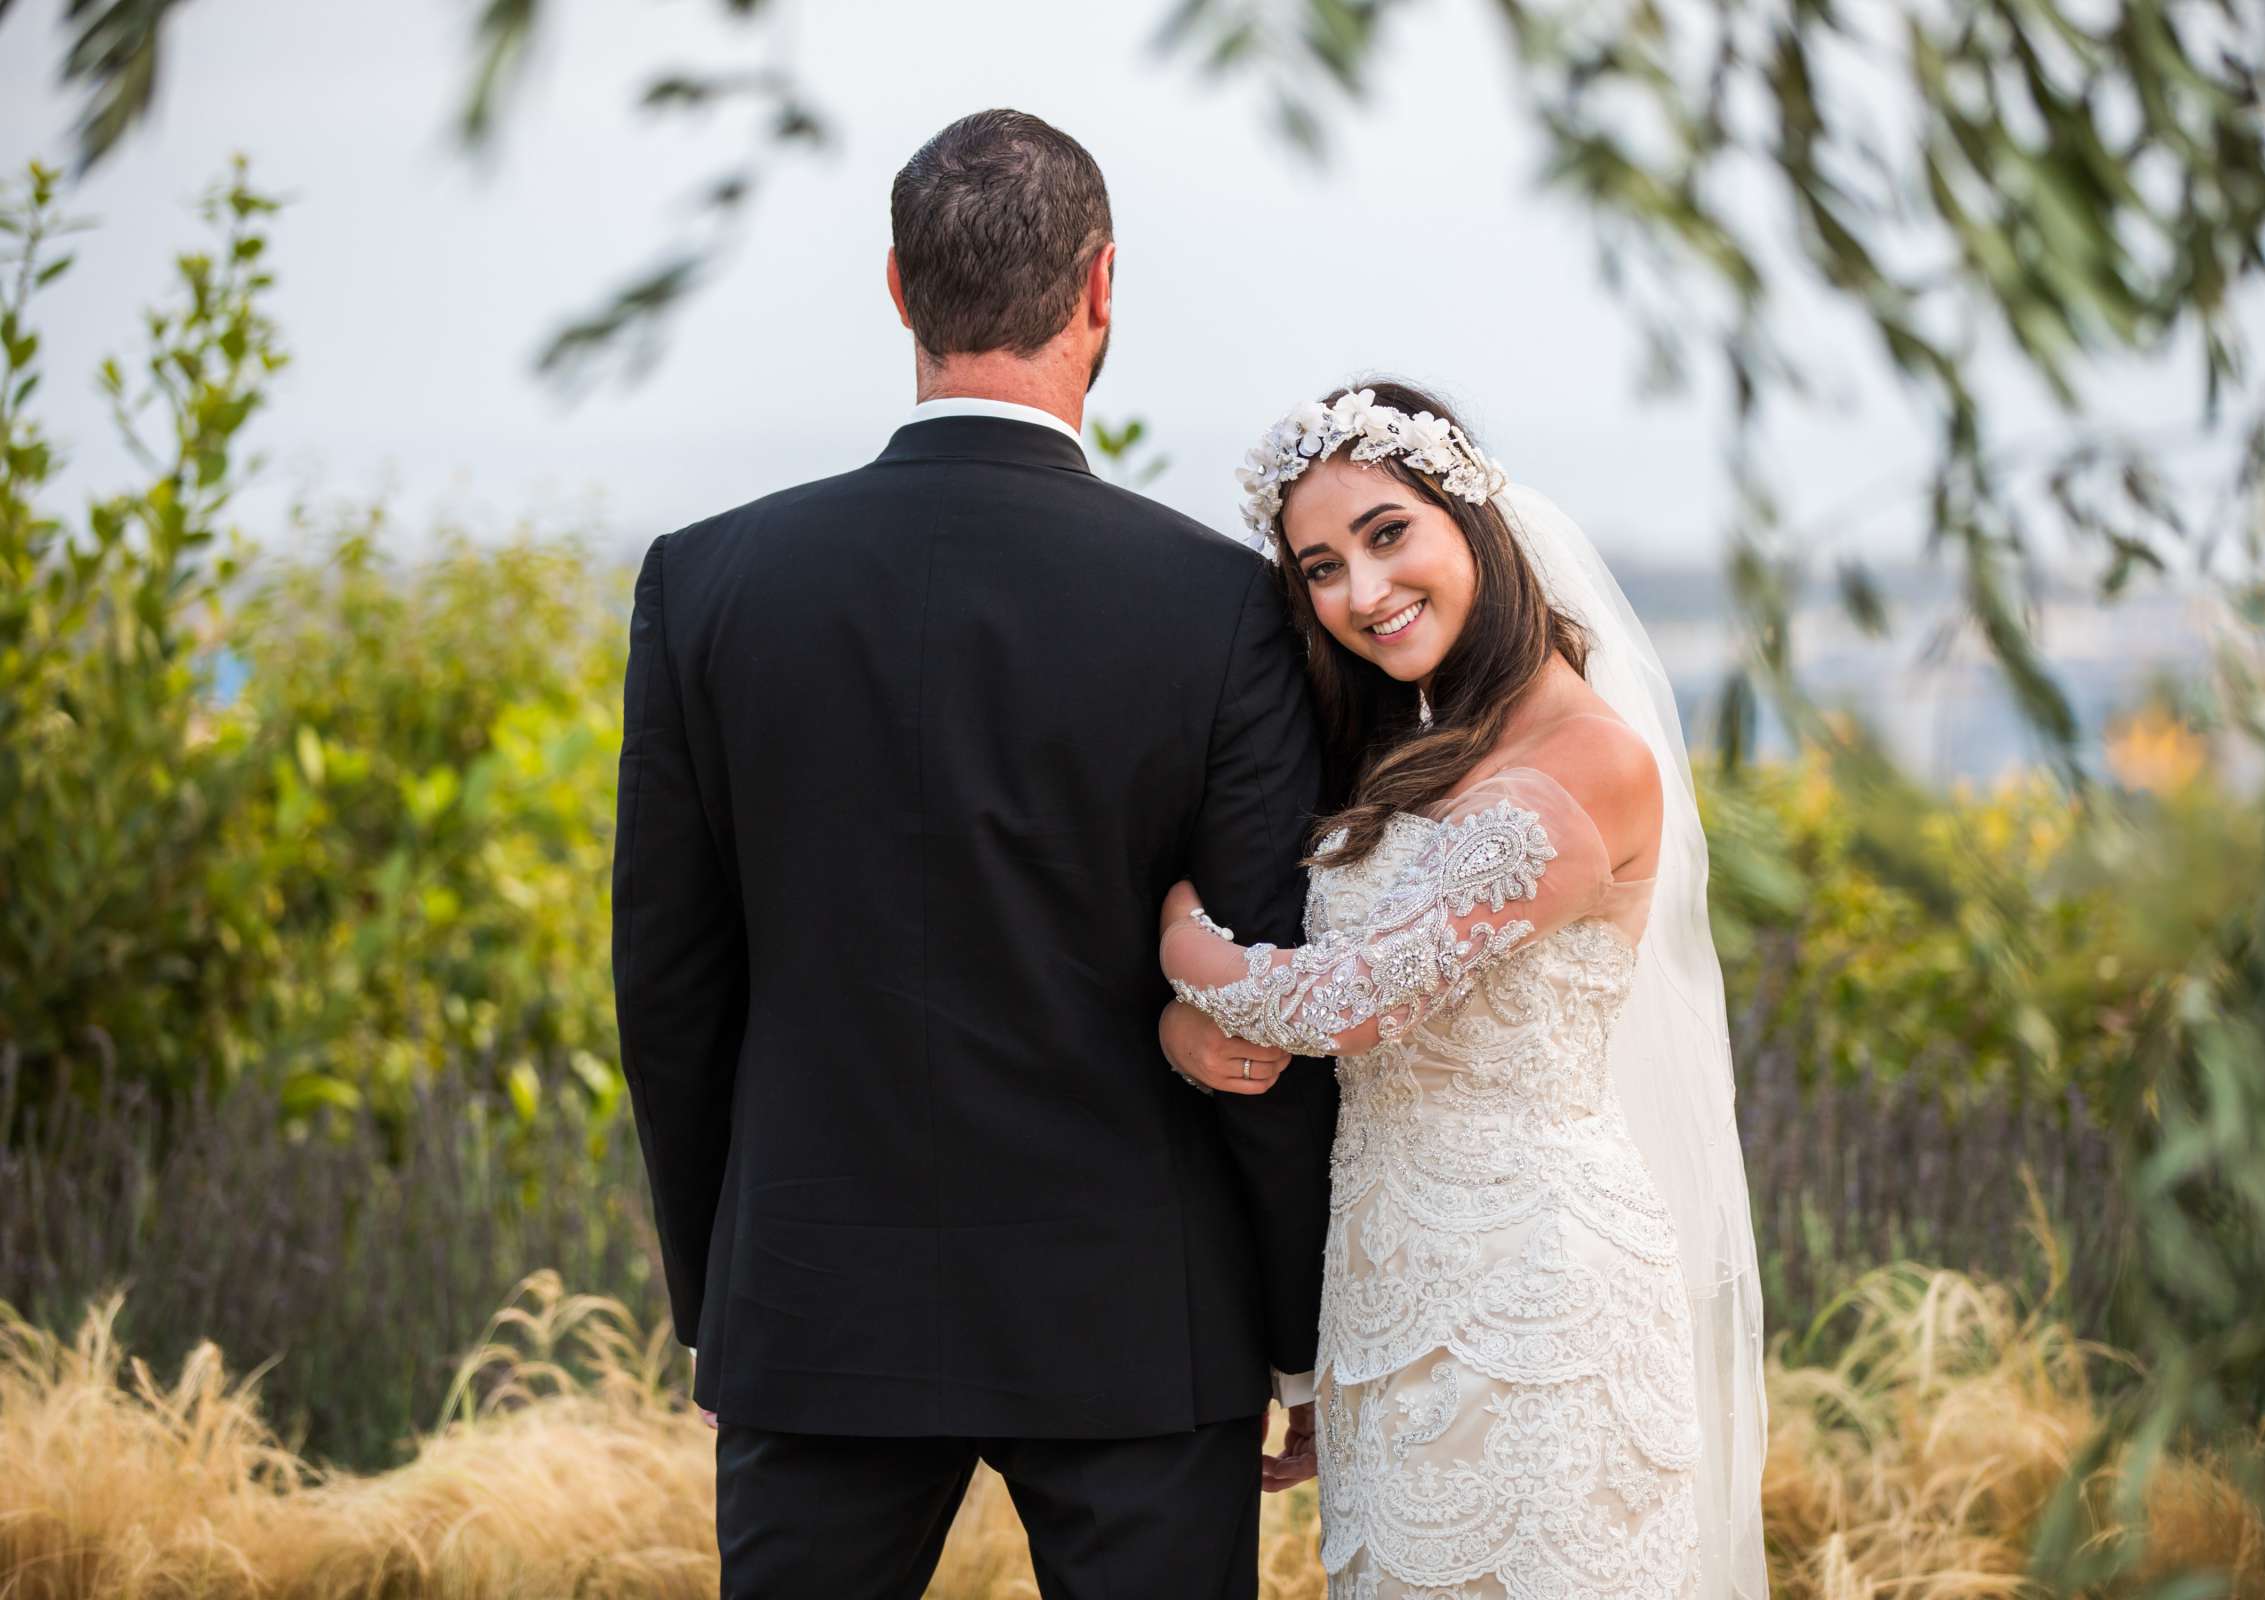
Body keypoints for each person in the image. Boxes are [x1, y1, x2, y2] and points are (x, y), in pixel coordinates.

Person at [609, 109, 1334, 1599]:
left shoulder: (710, 583)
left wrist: (723, 1294)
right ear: (1102, 290)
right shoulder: (1222, 606)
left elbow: (670, 985)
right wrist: (1299, 1326)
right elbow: (1260, 987)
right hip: (1141, 1313)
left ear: (897, 289)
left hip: (815, 1298)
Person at [1155, 380, 1770, 1598]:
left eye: (1389, 534)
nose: (1363, 594)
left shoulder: (1590, 760)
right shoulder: (1418, 753)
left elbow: (1346, 1005)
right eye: (1321, 568)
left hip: (1537, 1288)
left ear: (1474, 517)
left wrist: (1180, 946)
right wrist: (1189, 1034)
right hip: (1387, 1277)